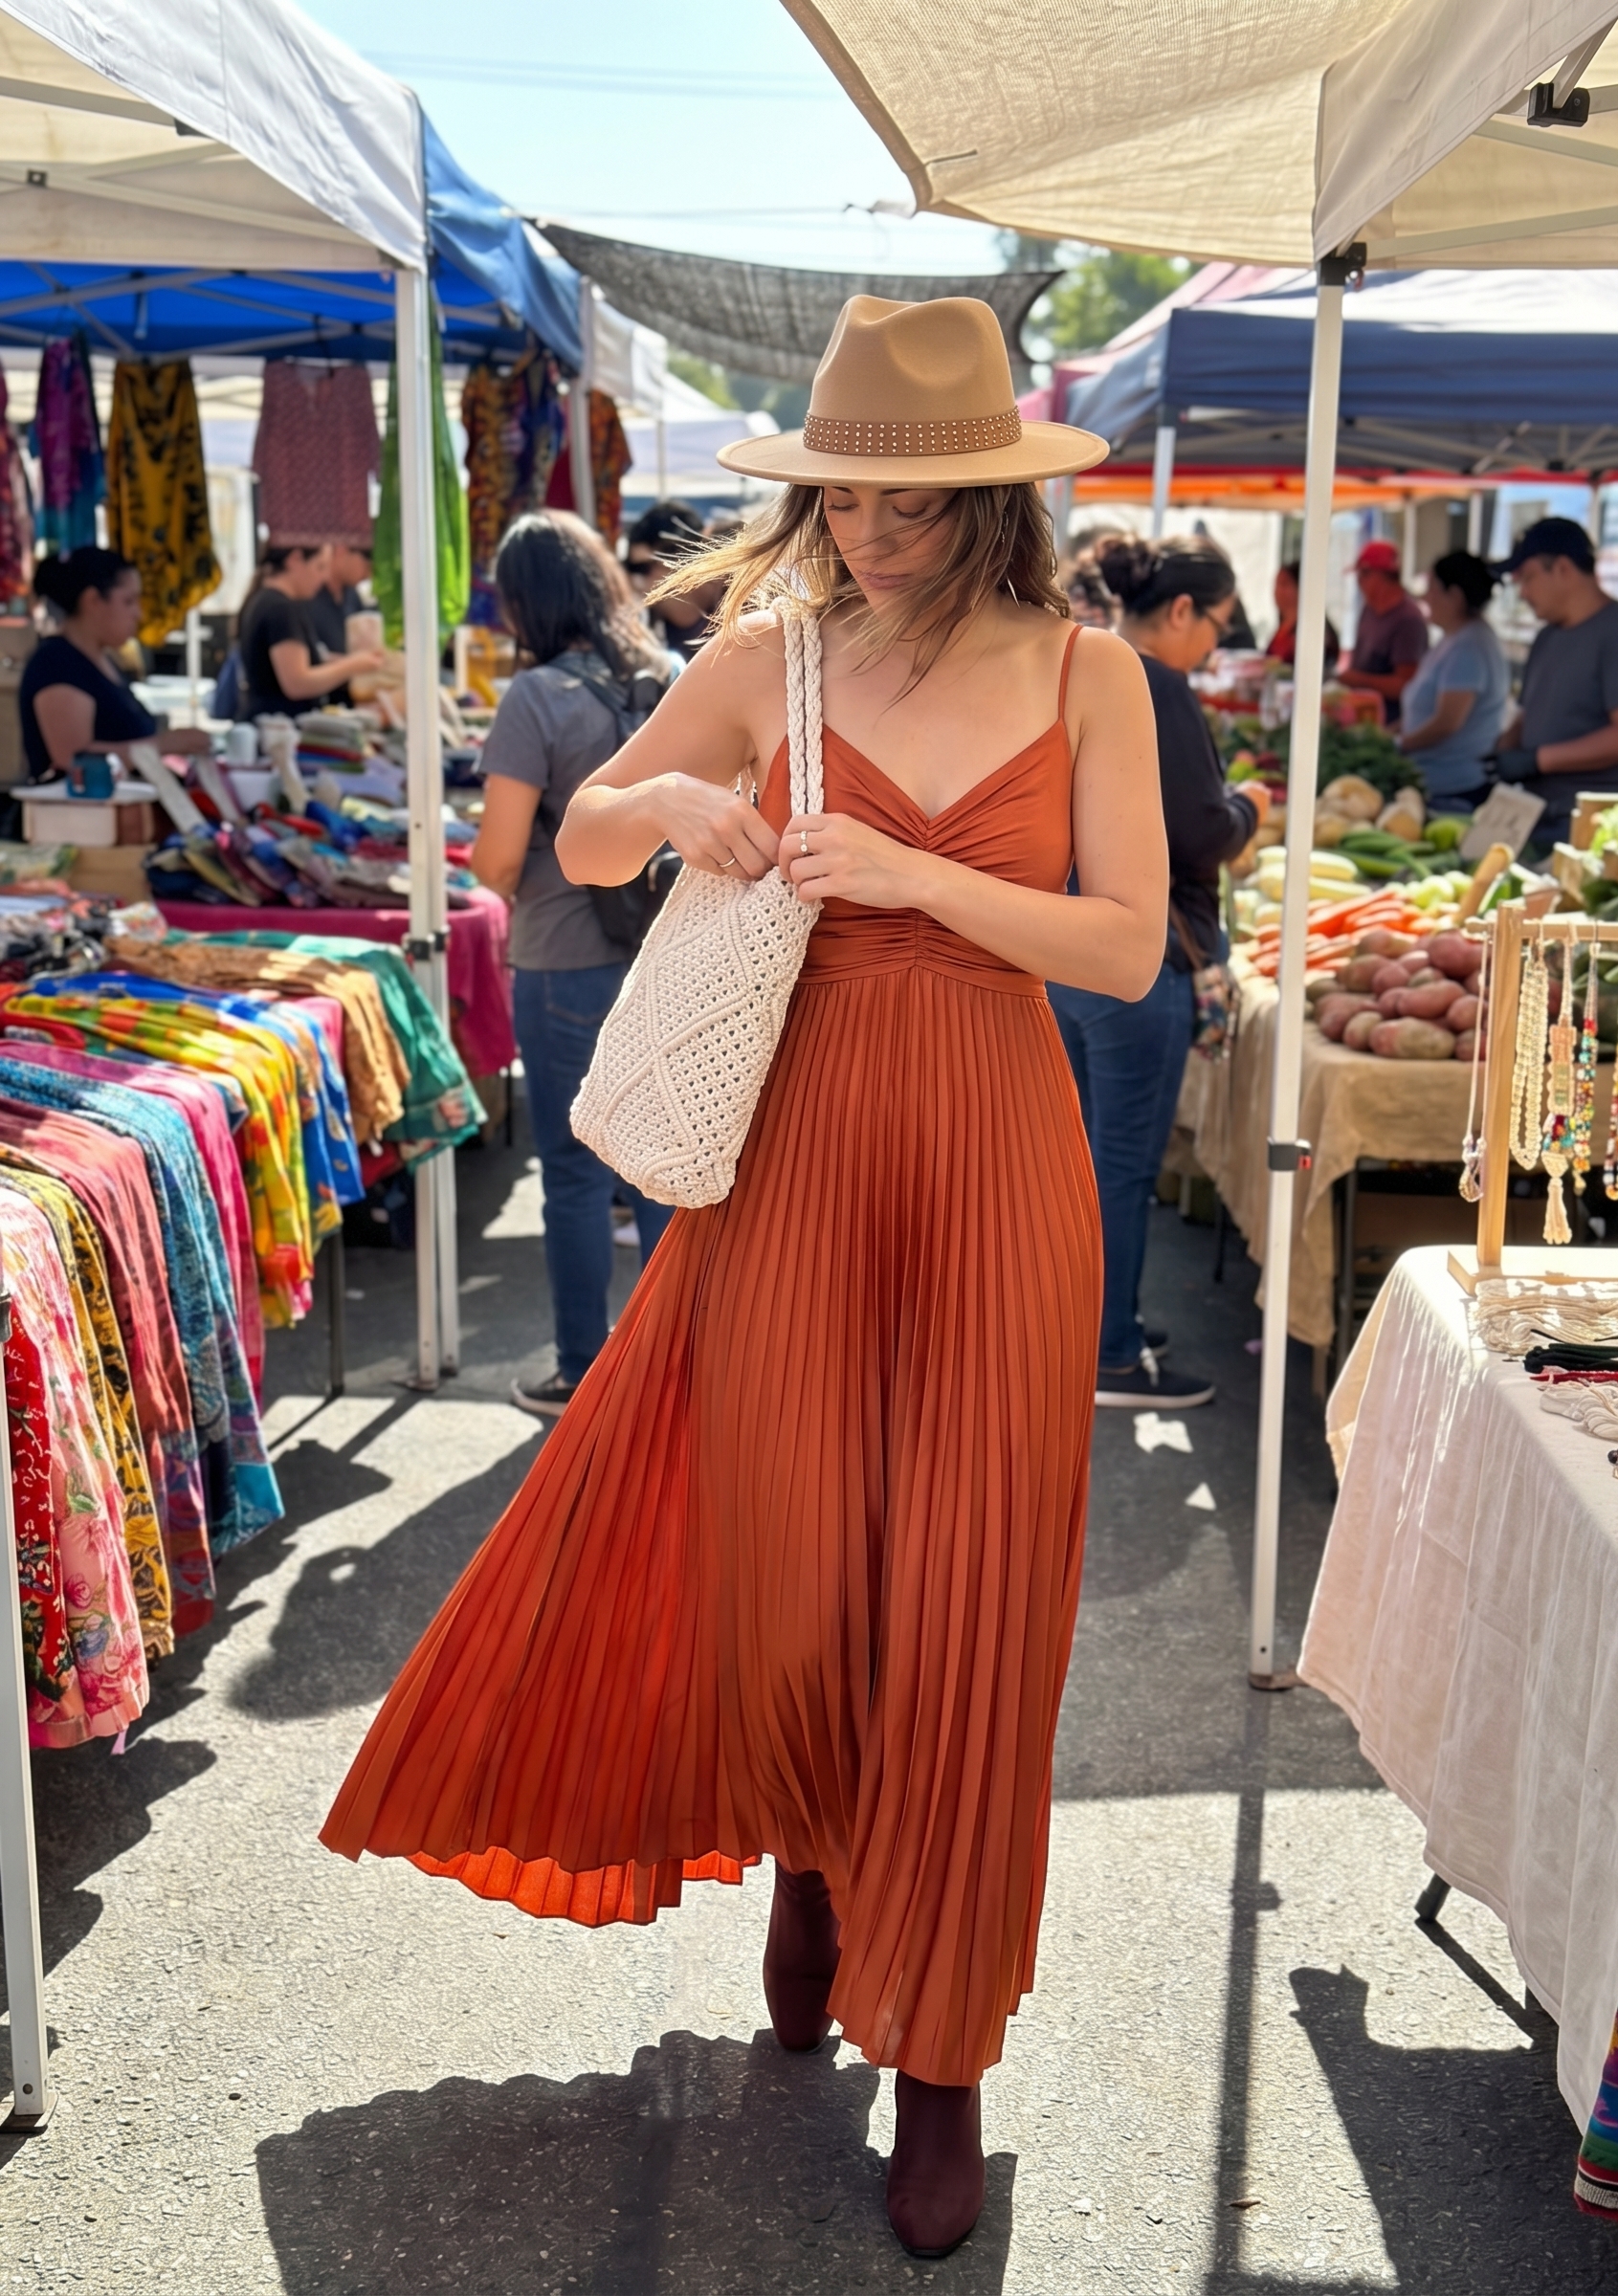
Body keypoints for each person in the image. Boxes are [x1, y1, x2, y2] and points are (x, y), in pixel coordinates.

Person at [321, 294, 1159, 2262]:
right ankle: (812, 1844)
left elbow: (1125, 949)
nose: (866, 527)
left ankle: (940, 2043)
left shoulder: (1090, 675)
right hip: (779, 1163)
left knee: (970, 1582)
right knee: (785, 1556)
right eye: (840, 493)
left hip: (991, 1159)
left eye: (906, 499)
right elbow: (592, 835)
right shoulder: (762, 654)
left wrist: (915, 876)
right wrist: (668, 803)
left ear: (987, 500)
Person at [467, 510, 676, 1418]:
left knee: (576, 1174)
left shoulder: (536, 698)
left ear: (526, 603)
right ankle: (679, 1362)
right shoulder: (667, 676)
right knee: (667, 1163)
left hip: (563, 954)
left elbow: (500, 859)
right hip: (666, 949)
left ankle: (583, 1371)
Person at [1050, 535, 1263, 1410]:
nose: (1214, 643)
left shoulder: (1076, 665)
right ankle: (1108, 1351)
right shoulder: (1151, 682)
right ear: (1181, 611)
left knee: (1082, 1162)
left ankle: (1094, 1327)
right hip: (1133, 958)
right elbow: (1200, 830)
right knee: (1120, 1168)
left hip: (1065, 944)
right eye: (1215, 625)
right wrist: (1252, 808)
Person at [1492, 515, 1618, 850]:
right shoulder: (1545, 638)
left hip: (1598, 829)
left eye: (1527, 578)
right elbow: (1528, 714)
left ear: (1563, 569)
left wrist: (1537, 760)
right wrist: (1501, 752)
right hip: (1538, 813)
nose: (1523, 593)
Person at [19, 547, 212, 783]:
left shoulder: (102, 660)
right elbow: (71, 759)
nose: (138, 614)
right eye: (128, 601)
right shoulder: (57, 664)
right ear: (93, 601)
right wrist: (161, 745)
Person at [1395, 551, 1510, 811]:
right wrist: (1392, 731)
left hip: (1454, 789)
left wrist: (1400, 745)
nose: (1425, 598)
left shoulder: (1469, 646)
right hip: (1434, 782)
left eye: (1432, 589)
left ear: (1455, 596)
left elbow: (1447, 722)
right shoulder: (1454, 638)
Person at [237, 541, 384, 720]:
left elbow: (304, 662)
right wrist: (353, 665)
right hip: (279, 731)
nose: (323, 577)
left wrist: (344, 662)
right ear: (295, 559)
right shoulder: (280, 609)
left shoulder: (266, 601)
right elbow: (297, 682)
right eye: (320, 567)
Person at [1341, 539, 1427, 722]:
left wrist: (1358, 680)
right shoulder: (1369, 609)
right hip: (1361, 716)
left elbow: (1406, 685)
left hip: (1390, 724)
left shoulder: (1408, 619)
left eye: (1363, 575)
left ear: (1380, 576)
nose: (1359, 582)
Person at [625, 497, 722, 657]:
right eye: (633, 568)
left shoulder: (738, 619)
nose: (638, 580)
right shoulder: (644, 633)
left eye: (644, 567)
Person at [1264, 559, 1339, 672]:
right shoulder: (1283, 626)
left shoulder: (1317, 630)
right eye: (1276, 585)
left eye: (1284, 585)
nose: (1277, 591)